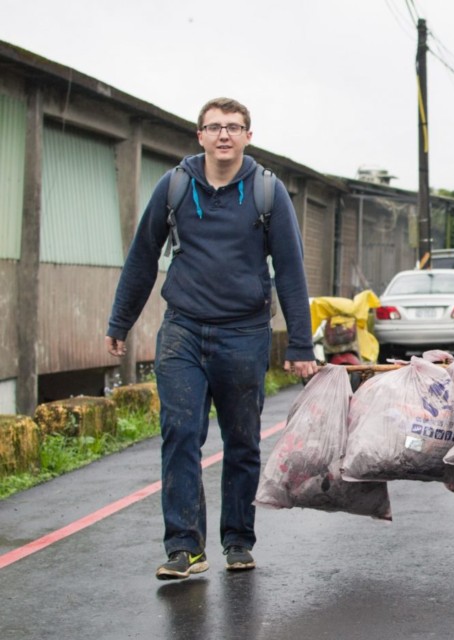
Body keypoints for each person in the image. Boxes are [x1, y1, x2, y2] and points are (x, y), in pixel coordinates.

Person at [105, 97, 318, 580]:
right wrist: (120, 322)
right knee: (180, 434)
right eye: (215, 127)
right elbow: (142, 257)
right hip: (182, 329)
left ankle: (238, 540)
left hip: (243, 334)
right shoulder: (175, 186)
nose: (224, 135)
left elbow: (290, 270)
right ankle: (184, 547)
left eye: (234, 127)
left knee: (242, 441)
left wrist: (301, 344)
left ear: (248, 136)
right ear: (199, 135)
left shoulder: (268, 192)